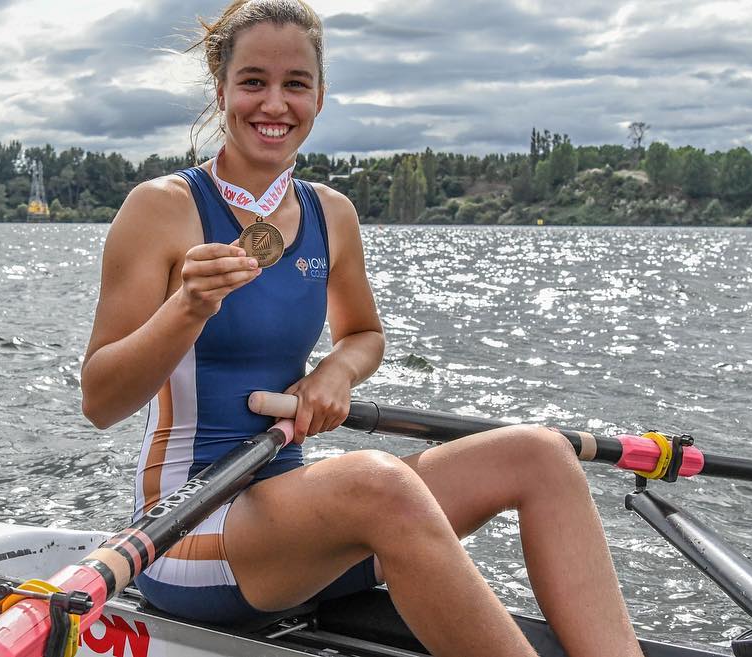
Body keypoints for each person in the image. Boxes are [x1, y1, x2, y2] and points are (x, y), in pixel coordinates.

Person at [81, 1, 644, 655]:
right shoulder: (161, 209)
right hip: (186, 530)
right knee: (378, 482)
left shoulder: (332, 214)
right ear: (222, 90)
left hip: (293, 524)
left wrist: (336, 372)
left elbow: (364, 335)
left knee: (541, 453)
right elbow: (101, 400)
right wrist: (188, 307)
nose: (274, 103)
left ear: (319, 98)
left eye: (296, 84)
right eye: (253, 81)